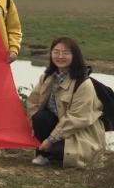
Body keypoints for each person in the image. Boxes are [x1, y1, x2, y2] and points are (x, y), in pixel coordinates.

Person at [25, 37, 106, 169]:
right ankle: (44, 155)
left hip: (78, 131)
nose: (60, 56)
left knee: (59, 151)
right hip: (57, 127)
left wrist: (50, 140)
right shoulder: (47, 77)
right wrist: (33, 124)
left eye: (65, 53)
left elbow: (77, 119)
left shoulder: (83, 83)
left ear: (75, 56)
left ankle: (51, 152)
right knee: (40, 117)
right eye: (56, 52)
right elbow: (32, 102)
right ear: (51, 54)